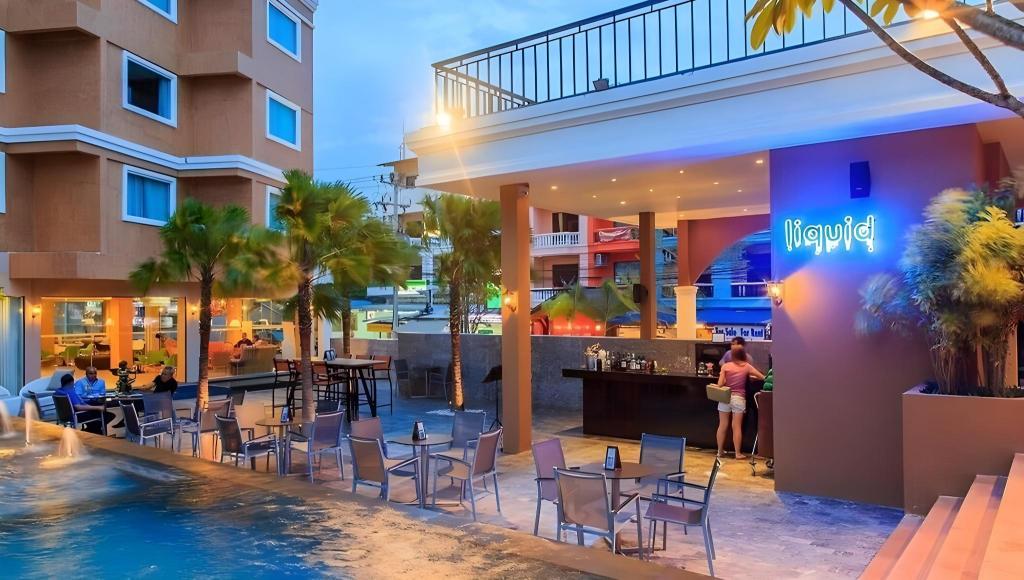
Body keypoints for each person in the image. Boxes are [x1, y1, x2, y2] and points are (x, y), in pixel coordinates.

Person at [715, 346, 764, 459]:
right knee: (736, 426)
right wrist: (749, 376)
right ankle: (738, 453)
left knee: (722, 425)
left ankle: (720, 451)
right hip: (739, 399)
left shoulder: (726, 366)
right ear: (744, 354)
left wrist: (725, 377)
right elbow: (762, 377)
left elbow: (720, 384)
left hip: (725, 397)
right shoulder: (746, 366)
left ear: (732, 355)